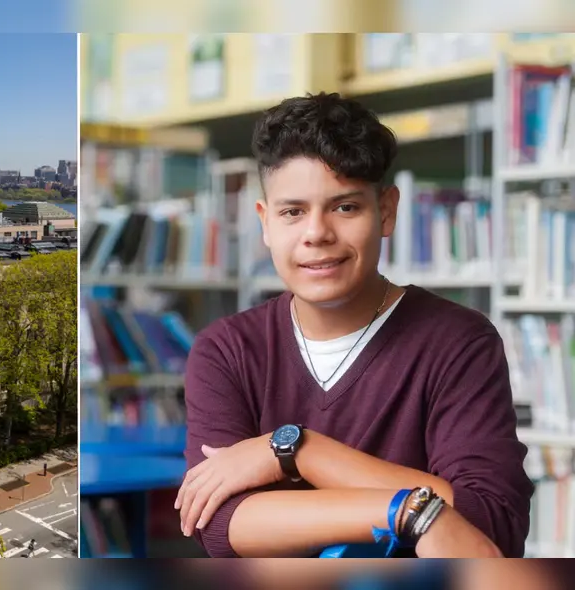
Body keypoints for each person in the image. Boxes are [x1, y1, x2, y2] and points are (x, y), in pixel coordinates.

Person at [174, 92, 534, 558]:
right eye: (292, 211)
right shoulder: (226, 350)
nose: (317, 233)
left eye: (345, 207)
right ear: (266, 223)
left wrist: (293, 451)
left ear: (386, 211)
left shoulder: (459, 342)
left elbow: (490, 523)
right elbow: (219, 524)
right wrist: (409, 512)